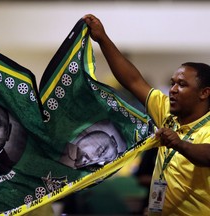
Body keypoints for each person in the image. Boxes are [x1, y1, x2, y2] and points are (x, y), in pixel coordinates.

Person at [83, 14, 210, 215]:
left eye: (182, 84)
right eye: (173, 83)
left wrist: (180, 144)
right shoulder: (166, 111)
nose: (173, 90)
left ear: (204, 93)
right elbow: (133, 80)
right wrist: (103, 39)